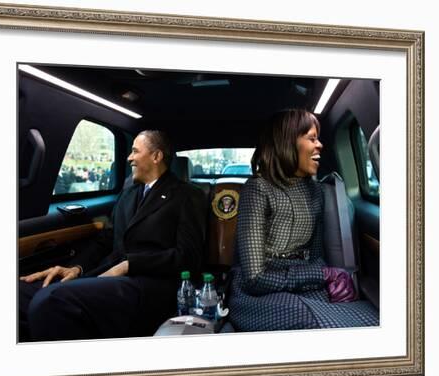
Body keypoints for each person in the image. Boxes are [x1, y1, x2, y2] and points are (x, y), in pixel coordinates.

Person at [19, 130, 206, 341]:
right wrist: (76, 267)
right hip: (110, 275)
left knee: (50, 300)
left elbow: (188, 256)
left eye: (135, 151)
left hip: (150, 285)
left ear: (156, 156)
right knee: (20, 293)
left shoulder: (188, 196)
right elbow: (105, 240)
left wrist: (130, 264)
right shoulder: (127, 195)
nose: (129, 158)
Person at [228, 109, 378, 331]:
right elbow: (254, 279)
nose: (320, 145)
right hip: (259, 293)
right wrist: (322, 274)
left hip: (307, 285)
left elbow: (315, 256)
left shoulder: (316, 192)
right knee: (309, 320)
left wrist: (334, 279)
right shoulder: (257, 189)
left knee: (372, 319)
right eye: (312, 138)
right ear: (287, 143)